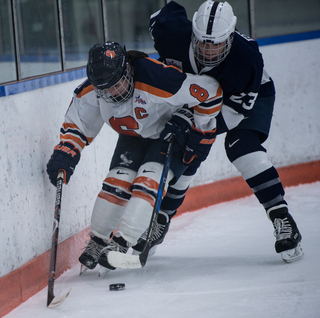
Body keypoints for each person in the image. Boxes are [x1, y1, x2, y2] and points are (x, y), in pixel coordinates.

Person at [137, 0, 303, 263]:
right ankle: (161, 219)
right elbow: (163, 13)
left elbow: (229, 115)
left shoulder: (247, 59)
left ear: (230, 36)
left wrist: (192, 126)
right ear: (193, 33)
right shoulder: (172, 33)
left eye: (216, 44)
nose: (208, 50)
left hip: (247, 96)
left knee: (241, 148)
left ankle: (282, 218)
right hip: (194, 95)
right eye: (203, 42)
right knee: (184, 151)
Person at [46, 41, 223, 270]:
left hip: (168, 134)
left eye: (115, 85)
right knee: (116, 182)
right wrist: (67, 150)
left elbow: (211, 92)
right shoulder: (97, 88)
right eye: (104, 88)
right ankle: (98, 241)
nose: (109, 92)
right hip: (133, 136)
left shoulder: (157, 78)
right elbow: (78, 124)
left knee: (148, 182)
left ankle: (122, 243)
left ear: (127, 69)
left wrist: (195, 125)